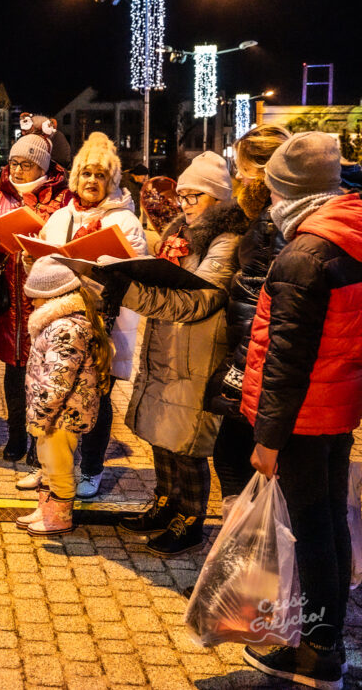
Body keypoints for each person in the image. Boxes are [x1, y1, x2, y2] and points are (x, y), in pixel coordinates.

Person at [240, 132, 362, 688]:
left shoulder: (304, 255)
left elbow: (286, 359)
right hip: (338, 406)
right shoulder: (347, 235)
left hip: (303, 417)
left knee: (312, 531)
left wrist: (268, 439)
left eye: (272, 188)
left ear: (287, 189)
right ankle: (327, 641)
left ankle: (317, 652)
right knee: (329, 522)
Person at [117, 152, 247, 556]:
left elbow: (196, 300)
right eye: (184, 195)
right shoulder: (180, 232)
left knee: (187, 441)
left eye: (196, 196)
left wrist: (127, 290)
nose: (186, 204)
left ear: (219, 198)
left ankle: (190, 521)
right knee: (162, 430)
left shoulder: (227, 240)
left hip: (199, 353)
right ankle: (165, 503)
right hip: (169, 347)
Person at [29, 132, 147, 494]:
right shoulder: (60, 216)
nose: (92, 181)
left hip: (101, 323)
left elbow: (138, 271)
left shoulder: (125, 221)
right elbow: (44, 262)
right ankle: (49, 466)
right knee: (53, 391)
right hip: (59, 321)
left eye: (100, 175)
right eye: (86, 173)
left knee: (97, 396)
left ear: (111, 180)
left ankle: (92, 469)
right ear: (75, 177)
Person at [0, 123, 71, 461]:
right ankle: (15, 436)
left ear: (43, 166)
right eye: (13, 163)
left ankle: (40, 442)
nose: (17, 169)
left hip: (47, 301)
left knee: (47, 375)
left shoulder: (64, 199)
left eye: (26, 164)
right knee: (14, 376)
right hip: (9, 302)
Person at [205, 125, 291, 508]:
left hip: (258, 369)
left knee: (232, 458)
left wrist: (238, 375)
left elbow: (264, 309)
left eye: (242, 169)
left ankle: (248, 541)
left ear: (264, 171)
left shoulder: (271, 223)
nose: (238, 178)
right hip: (261, 365)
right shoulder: (273, 219)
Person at [14, 257, 111, 535]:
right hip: (53, 413)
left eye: (35, 297)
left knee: (58, 466)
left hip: (62, 414)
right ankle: (46, 510)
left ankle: (60, 517)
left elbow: (58, 380)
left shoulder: (66, 328)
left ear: (51, 296)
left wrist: (41, 414)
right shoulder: (58, 324)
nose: (32, 302)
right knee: (48, 463)